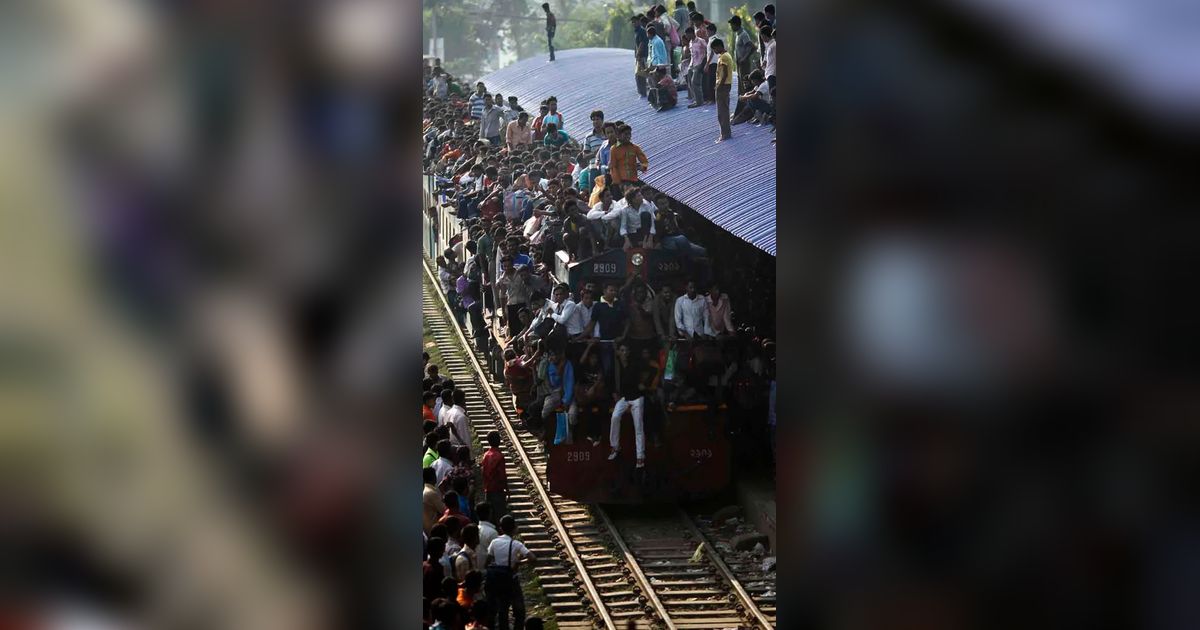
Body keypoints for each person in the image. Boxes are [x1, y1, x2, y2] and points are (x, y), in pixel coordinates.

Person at [486, 515, 536, 630]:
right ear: (514, 528)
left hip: (498, 579)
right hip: (511, 579)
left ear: (501, 528)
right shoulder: (516, 544)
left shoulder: (494, 542)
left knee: (503, 610)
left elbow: (487, 561)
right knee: (519, 610)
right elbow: (532, 558)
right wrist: (519, 563)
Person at [609, 342, 648, 468]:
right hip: (624, 399)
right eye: (622, 350)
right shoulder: (616, 367)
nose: (624, 353)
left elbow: (637, 384)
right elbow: (611, 381)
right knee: (615, 416)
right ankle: (615, 446)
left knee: (638, 427)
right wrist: (615, 394)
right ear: (619, 353)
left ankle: (640, 457)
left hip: (636, 398)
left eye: (626, 350)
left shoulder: (634, 365)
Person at [730, 15, 756, 117]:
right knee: (741, 88)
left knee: (746, 87)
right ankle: (740, 110)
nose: (731, 27)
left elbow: (752, 47)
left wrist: (744, 58)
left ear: (736, 24)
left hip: (744, 65)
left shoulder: (744, 34)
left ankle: (748, 111)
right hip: (739, 66)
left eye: (732, 24)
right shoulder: (738, 34)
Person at [481, 430, 508, 520]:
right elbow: (502, 475)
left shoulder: (486, 455)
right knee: (499, 514)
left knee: (490, 515)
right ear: (499, 440)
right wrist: (506, 489)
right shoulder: (499, 456)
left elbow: (483, 472)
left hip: (488, 489)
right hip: (497, 489)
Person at [711, 37, 734, 142]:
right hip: (725, 85)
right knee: (724, 109)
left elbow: (724, 73)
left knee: (722, 112)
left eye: (714, 49)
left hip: (723, 85)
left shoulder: (723, 57)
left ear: (719, 46)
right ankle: (725, 133)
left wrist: (719, 85)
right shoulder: (726, 55)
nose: (714, 52)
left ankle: (725, 134)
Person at [686, 22, 707, 108]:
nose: (687, 36)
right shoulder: (690, 42)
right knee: (690, 83)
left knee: (695, 82)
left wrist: (704, 63)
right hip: (692, 64)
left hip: (699, 63)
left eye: (688, 34)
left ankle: (699, 101)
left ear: (692, 33)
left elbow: (707, 51)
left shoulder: (701, 41)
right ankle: (696, 99)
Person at [475, 502, 500, 571]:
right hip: (488, 571)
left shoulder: (475, 529)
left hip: (476, 569)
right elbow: (496, 555)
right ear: (489, 514)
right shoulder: (492, 532)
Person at [424, 466, 447, 533]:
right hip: (433, 529)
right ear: (433, 477)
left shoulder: (428, 490)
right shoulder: (431, 493)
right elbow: (444, 509)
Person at [632, 15, 649, 97]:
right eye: (632, 22)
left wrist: (638, 54)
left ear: (639, 21)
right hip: (639, 56)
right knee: (639, 74)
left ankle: (643, 92)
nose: (633, 23)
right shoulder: (636, 31)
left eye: (635, 21)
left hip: (642, 56)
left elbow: (642, 44)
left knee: (640, 75)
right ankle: (642, 92)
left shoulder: (641, 31)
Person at [760, 25, 776, 100]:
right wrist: (764, 62)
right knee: (772, 95)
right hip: (770, 72)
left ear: (764, 35)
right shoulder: (769, 45)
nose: (762, 38)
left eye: (761, 36)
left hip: (773, 73)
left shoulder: (773, 45)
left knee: (773, 96)